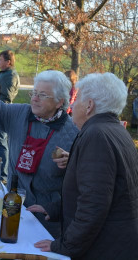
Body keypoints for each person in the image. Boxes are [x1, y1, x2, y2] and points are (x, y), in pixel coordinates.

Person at [0, 70, 79, 238]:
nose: (34, 98)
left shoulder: (73, 133)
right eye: (34, 93)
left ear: (59, 101)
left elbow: (82, 181)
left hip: (48, 219)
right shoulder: (20, 114)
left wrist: (73, 163)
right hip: (12, 208)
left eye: (42, 95)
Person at [30, 73, 138, 259]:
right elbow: (105, 191)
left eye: (78, 98)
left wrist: (63, 246)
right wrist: (56, 209)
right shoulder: (115, 131)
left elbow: (94, 205)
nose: (72, 105)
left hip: (106, 249)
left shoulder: (97, 135)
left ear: (89, 106)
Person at [0, 50, 20, 177]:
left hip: (0, 115)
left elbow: (6, 98)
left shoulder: (10, 76)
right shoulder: (5, 74)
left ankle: (2, 175)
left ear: (8, 62)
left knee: (0, 145)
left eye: (0, 60)